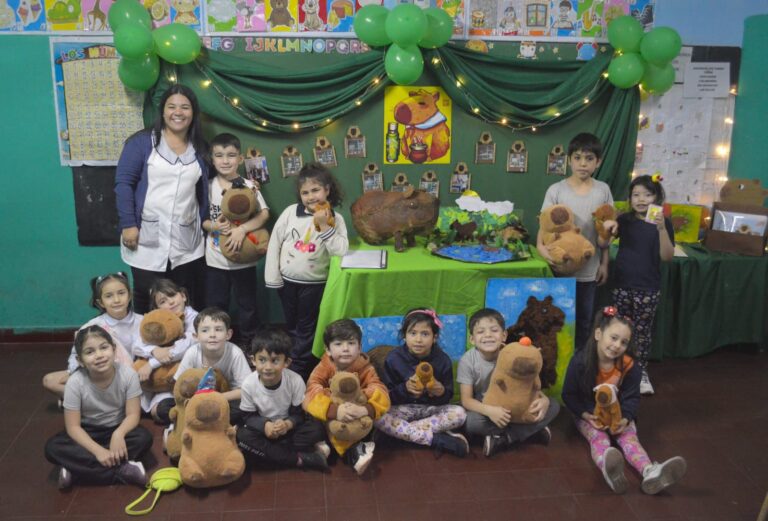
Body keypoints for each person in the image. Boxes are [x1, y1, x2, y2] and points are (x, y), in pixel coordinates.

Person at [562, 307, 687, 494]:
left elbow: (632, 397)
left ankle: (650, 471)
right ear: (598, 334)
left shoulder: (630, 366)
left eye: (624, 342)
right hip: (588, 414)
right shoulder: (580, 361)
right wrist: (586, 414)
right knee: (598, 438)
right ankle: (609, 468)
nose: (617, 345)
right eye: (613, 338)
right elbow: (569, 394)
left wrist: (625, 418)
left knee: (629, 439)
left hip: (617, 415)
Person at [115, 84, 210, 314]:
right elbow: (123, 184)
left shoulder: (200, 147)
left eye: (185, 107)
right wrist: (129, 224)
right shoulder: (141, 142)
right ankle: (146, 348)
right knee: (146, 295)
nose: (178, 112)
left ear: (193, 113)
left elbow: (209, 188)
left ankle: (181, 348)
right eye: (172, 107)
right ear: (163, 111)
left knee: (182, 297)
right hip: (145, 234)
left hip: (187, 238)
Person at [264, 162, 349, 380]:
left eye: (315, 190)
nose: (310, 196)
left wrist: (324, 226)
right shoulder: (290, 213)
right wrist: (273, 278)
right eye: (305, 192)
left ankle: (300, 370)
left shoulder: (335, 220)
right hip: (287, 282)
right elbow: (275, 243)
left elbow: (340, 249)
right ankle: (294, 359)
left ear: (327, 190)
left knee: (306, 328)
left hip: (315, 284)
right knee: (291, 325)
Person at [44, 326, 152, 489]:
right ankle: (122, 469)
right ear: (80, 360)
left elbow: (133, 415)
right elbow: (73, 427)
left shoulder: (128, 375)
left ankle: (76, 469)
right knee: (52, 448)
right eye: (90, 352)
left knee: (143, 438)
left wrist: (119, 434)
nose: (99, 355)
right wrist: (98, 451)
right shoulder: (75, 382)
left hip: (117, 427)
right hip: (88, 431)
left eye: (104, 347)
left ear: (114, 350)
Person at [538, 132, 613, 351]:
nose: (583, 163)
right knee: (557, 321)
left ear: (598, 162)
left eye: (589, 159)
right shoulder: (557, 190)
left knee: (584, 322)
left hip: (589, 272)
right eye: (578, 157)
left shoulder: (603, 190)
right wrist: (542, 249)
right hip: (559, 268)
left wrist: (605, 263)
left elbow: (605, 231)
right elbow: (545, 225)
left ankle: (579, 365)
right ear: (570, 160)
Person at [457, 308, 559, 457]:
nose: (488, 335)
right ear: (472, 339)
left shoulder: (513, 354)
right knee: (471, 422)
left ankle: (505, 438)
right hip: (486, 404)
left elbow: (529, 384)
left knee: (553, 405)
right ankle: (530, 431)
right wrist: (490, 411)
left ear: (504, 335)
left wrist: (543, 400)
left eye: (494, 330)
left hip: (517, 401)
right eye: (480, 332)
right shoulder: (468, 361)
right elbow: (466, 400)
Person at [607, 174, 674, 395]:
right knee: (619, 330)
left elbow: (667, 256)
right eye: (636, 195)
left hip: (648, 288)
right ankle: (617, 368)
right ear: (630, 198)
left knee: (642, 332)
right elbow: (606, 241)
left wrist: (662, 229)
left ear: (657, 196)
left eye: (647, 194)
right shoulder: (625, 220)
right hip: (622, 284)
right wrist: (609, 225)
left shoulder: (664, 223)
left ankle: (641, 371)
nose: (641, 199)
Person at [203, 133, 270, 348]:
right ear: (212, 159)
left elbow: (264, 213)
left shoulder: (248, 185)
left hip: (244, 259)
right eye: (219, 156)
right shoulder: (207, 186)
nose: (225, 161)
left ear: (240, 159)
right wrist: (214, 226)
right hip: (215, 260)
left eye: (231, 155)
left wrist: (242, 230)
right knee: (216, 305)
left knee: (247, 305)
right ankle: (217, 345)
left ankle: (251, 346)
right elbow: (201, 221)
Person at [374, 309, 469, 457]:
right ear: (405, 336)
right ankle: (436, 439)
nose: (418, 339)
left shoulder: (442, 360)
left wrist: (441, 392)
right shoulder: (394, 359)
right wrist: (404, 389)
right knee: (376, 415)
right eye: (413, 333)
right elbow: (387, 397)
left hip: (430, 410)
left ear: (435, 337)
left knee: (460, 414)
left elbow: (447, 397)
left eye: (425, 334)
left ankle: (401, 434)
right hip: (402, 410)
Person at [303, 319, 390, 476]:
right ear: (328, 350)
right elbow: (311, 391)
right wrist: (335, 410)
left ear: (359, 347)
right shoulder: (324, 367)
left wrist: (363, 408)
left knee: (374, 426)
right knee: (313, 428)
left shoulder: (366, 368)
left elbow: (380, 390)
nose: (345, 349)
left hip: (356, 414)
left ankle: (350, 450)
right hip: (331, 417)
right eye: (338, 344)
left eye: (351, 343)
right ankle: (336, 449)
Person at [236, 327, 330, 472]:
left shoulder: (295, 380)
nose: (267, 367)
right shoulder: (249, 384)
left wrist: (287, 424)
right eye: (262, 360)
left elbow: (299, 414)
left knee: (317, 429)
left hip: (289, 430)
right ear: (253, 360)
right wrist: (265, 425)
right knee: (243, 436)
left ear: (286, 362)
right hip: (265, 431)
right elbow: (248, 417)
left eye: (275, 361)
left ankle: (273, 455)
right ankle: (301, 459)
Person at [42, 273, 137, 400]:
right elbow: (76, 355)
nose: (116, 300)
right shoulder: (93, 326)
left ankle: (92, 402)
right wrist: (73, 372)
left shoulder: (143, 322)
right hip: (101, 374)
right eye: (109, 296)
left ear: (129, 295)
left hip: (133, 376)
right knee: (49, 380)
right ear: (101, 302)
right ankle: (88, 400)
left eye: (121, 293)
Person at [170, 307, 252, 427]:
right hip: (196, 398)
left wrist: (217, 397)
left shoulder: (235, 353)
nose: (212, 335)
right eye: (205, 330)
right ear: (196, 336)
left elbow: (247, 390)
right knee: (166, 407)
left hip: (226, 398)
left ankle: (223, 429)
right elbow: (178, 384)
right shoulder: (192, 352)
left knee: (245, 408)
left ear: (228, 334)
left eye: (218, 329)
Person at [132, 279, 198, 423]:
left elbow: (185, 347)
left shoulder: (195, 318)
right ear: (157, 308)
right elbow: (136, 345)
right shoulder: (155, 321)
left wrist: (152, 364)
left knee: (163, 411)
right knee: (150, 409)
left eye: (173, 296)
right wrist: (154, 350)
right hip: (157, 381)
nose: (171, 302)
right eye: (163, 301)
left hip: (181, 375)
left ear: (183, 296)